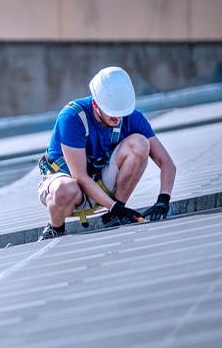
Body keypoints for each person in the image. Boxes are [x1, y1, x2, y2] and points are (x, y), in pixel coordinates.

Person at [37, 66, 176, 240]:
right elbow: (79, 176)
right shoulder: (72, 117)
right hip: (68, 186)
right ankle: (55, 228)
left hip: (100, 181)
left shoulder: (131, 116)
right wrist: (115, 206)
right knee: (65, 190)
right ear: (96, 104)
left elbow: (167, 163)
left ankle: (113, 217)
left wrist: (163, 200)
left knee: (140, 144)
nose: (118, 118)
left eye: (121, 113)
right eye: (112, 113)